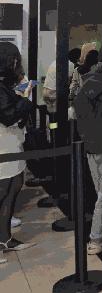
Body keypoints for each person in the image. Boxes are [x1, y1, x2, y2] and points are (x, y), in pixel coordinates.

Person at [0, 42, 36, 261]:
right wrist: (24, 98)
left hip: (12, 142)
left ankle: (5, 238)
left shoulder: (5, 83)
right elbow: (8, 116)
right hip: (4, 144)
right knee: (4, 189)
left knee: (14, 185)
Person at [74, 43, 102, 255]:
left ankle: (98, 236)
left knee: (101, 192)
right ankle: (96, 238)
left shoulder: (91, 79)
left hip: (93, 145)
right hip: (101, 145)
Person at [42, 48, 81, 115]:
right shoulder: (70, 64)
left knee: (53, 115)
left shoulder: (56, 61)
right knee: (64, 112)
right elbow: (68, 82)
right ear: (77, 57)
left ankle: (52, 121)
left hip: (46, 92)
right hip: (54, 93)